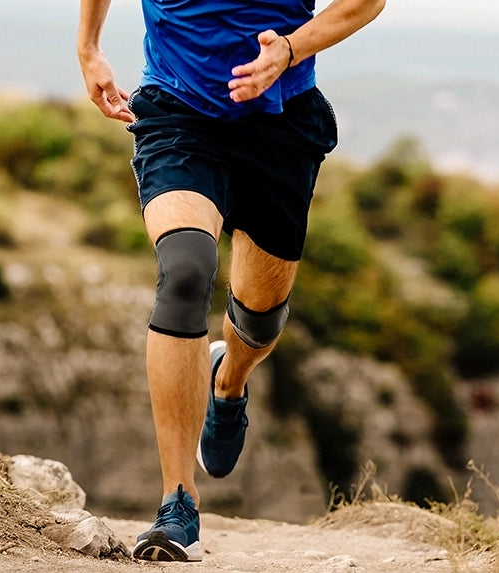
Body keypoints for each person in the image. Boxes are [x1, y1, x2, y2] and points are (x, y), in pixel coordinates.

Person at [77, 0, 386, 562]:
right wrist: (89, 48)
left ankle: (229, 380)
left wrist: (289, 50)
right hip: (178, 113)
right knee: (186, 272)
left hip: (281, 123)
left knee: (260, 319)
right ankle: (177, 503)